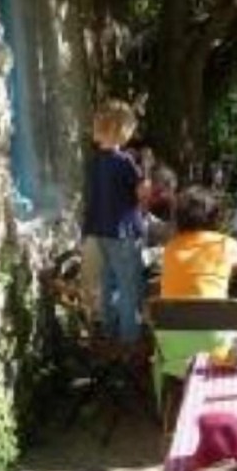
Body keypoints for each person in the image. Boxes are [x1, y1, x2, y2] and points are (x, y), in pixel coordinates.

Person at [83, 99, 149, 343]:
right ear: (122, 130)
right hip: (123, 231)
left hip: (100, 228)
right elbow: (141, 194)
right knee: (128, 285)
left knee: (108, 281)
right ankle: (129, 339)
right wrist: (147, 171)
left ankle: (109, 332)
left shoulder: (94, 161)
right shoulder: (124, 162)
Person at [160, 186, 237, 299]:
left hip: (171, 316)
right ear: (215, 216)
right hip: (214, 315)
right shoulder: (224, 244)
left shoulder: (171, 246)